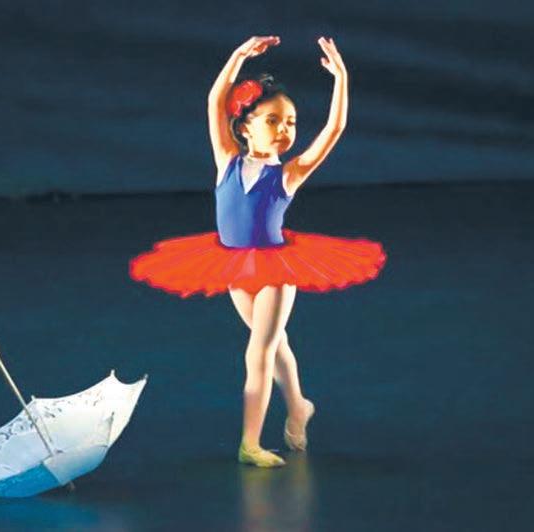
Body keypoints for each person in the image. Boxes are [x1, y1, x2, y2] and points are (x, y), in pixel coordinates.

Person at [129, 35, 387, 467]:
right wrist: (237, 57)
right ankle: (299, 405)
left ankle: (250, 443)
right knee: (274, 341)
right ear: (245, 126)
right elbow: (215, 100)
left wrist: (341, 79)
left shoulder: (289, 174)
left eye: (291, 122)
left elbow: (334, 130)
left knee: (259, 350)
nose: (285, 129)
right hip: (233, 266)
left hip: (277, 270)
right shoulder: (226, 160)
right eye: (273, 120)